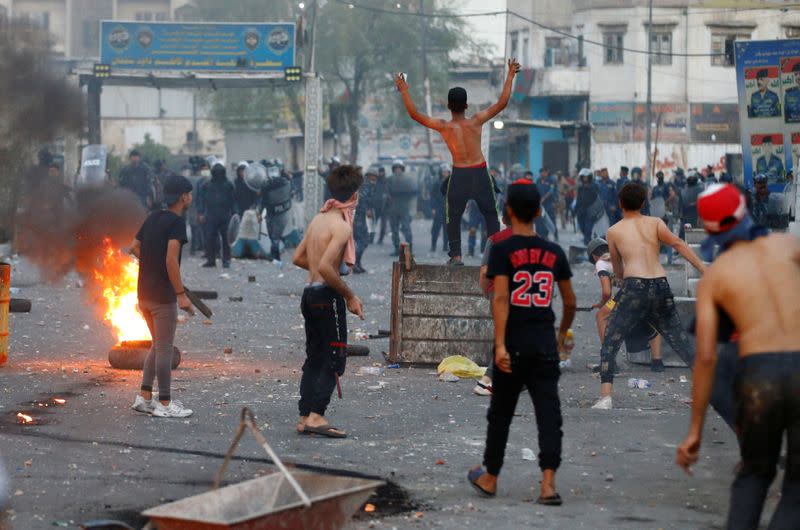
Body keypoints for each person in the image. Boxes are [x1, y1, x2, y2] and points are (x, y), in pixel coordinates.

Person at [676, 183, 800, 529]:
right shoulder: (786, 246)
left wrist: (695, 432)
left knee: (754, 473)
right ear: (746, 211)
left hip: (759, 377)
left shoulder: (717, 277)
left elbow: (704, 357)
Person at [467, 179, 576, 505]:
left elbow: (500, 299)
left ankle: (490, 477)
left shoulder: (502, 250)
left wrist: (499, 346)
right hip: (544, 345)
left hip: (512, 344)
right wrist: (561, 334)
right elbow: (569, 302)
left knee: (500, 414)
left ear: (508, 211)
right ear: (540, 212)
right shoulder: (554, 252)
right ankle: (548, 485)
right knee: (548, 414)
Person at [396, 58, 521, 266]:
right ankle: (493, 257)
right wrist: (510, 74)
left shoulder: (444, 126)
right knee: (490, 214)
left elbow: (414, 114)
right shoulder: (477, 120)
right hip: (480, 173)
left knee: (452, 216)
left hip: (460, 174)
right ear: (466, 105)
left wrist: (403, 89)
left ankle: (456, 256)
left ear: (448, 106)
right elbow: (502, 102)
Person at [592, 184, 706, 410]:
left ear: (620, 204)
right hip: (660, 286)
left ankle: (606, 397)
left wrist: (619, 279)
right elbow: (678, 244)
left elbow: (618, 268)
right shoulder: (656, 223)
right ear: (644, 203)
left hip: (634, 287)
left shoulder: (614, 231)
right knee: (682, 343)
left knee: (611, 341)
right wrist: (704, 269)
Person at [292, 165, 365, 438]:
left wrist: (321, 271)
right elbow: (325, 266)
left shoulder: (318, 219)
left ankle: (304, 415)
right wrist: (349, 295)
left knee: (315, 356)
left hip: (308, 294)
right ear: (354, 195)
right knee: (334, 358)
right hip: (326, 297)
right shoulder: (341, 227)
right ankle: (316, 415)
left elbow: (298, 258)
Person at [128, 175, 196, 418]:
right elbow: (170, 259)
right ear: (183, 197)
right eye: (189, 193)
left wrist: (150, 264)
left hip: (143, 293)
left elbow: (134, 247)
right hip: (162, 296)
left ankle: (145, 398)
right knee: (165, 348)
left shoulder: (152, 218)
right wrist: (181, 295)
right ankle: (165, 402)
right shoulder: (176, 223)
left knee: (157, 345)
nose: (191, 196)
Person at [587, 238, 665, 373]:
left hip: (634, 289)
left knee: (602, 316)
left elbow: (606, 292)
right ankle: (657, 362)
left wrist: (601, 304)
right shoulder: (621, 255)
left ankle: (609, 361)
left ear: (594, 255)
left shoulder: (601, 262)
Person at [475, 209, 514, 396]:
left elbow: (484, 272)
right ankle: (486, 380)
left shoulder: (495, 239)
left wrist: (485, 290)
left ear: (505, 220)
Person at [199, 163, 235, 268]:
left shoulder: (229, 185)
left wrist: (234, 213)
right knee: (210, 238)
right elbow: (201, 200)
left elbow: (233, 200)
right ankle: (211, 260)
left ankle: (226, 260)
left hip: (224, 214)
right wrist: (201, 212)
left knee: (226, 238)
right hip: (211, 214)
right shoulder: (206, 185)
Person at [262, 164, 293, 265]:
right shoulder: (285, 183)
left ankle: (275, 257)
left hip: (273, 213)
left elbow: (263, 200)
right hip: (278, 213)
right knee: (274, 237)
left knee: (274, 237)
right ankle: (275, 257)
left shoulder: (267, 185)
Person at [386, 160, 416, 256]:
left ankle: (409, 249)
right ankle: (396, 249)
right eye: (396, 168)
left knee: (406, 228)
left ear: (402, 169)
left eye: (399, 168)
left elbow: (412, 193)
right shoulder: (389, 179)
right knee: (394, 230)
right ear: (393, 169)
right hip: (393, 207)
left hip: (404, 207)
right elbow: (386, 192)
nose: (398, 170)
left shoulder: (408, 179)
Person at [353, 169, 377, 274]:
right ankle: (354, 263)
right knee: (362, 240)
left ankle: (357, 263)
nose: (374, 179)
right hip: (359, 217)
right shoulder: (365, 185)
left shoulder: (368, 185)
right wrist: (366, 210)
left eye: (375, 177)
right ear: (369, 176)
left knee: (363, 240)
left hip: (361, 217)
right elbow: (361, 199)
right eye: (373, 176)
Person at [575, 168, 603, 245]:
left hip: (590, 210)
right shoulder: (581, 187)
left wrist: (590, 188)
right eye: (583, 177)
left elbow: (597, 197)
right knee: (581, 226)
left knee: (588, 227)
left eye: (586, 177)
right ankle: (587, 238)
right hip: (581, 210)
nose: (585, 178)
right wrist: (575, 210)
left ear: (589, 177)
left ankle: (587, 242)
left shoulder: (594, 186)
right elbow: (578, 199)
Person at [430, 164, 450, 253]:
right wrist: (433, 208)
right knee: (436, 228)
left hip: (448, 208)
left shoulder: (451, 183)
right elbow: (433, 196)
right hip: (438, 208)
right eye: (444, 172)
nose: (445, 173)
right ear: (441, 173)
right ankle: (433, 246)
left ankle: (445, 246)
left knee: (447, 229)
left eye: (447, 172)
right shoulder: (437, 183)